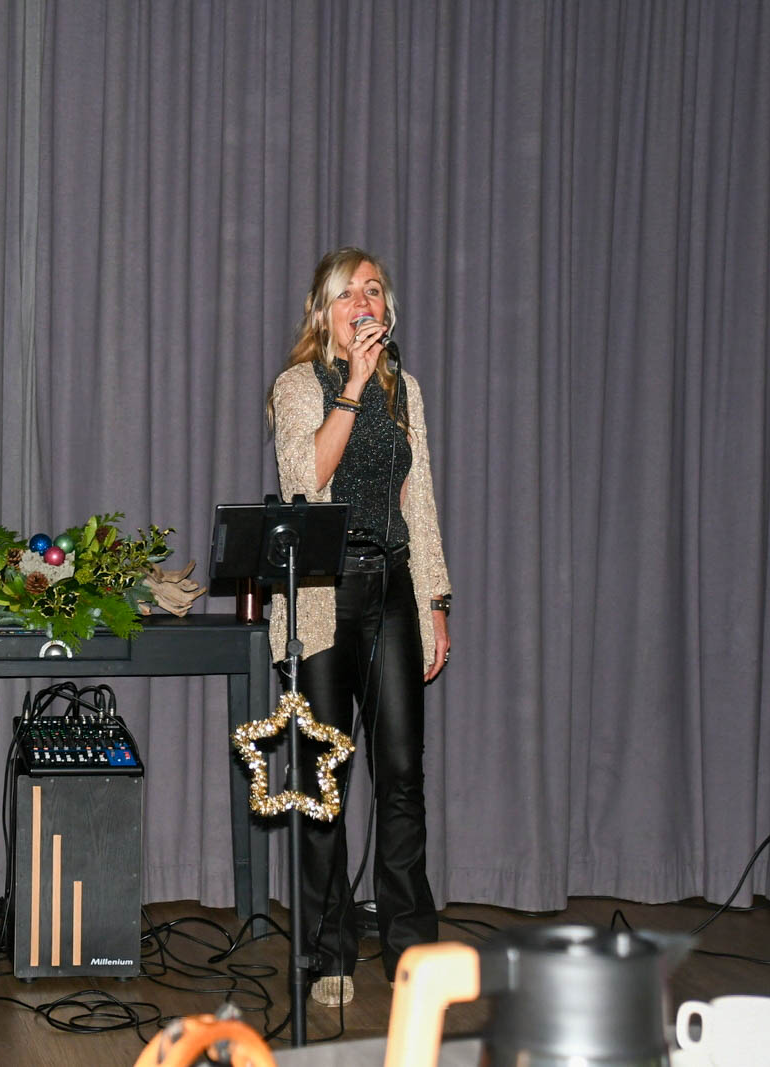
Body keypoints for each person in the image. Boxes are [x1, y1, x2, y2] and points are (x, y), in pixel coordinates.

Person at [268, 246, 451, 1009]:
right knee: (325, 780)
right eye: (348, 293)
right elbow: (304, 478)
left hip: (392, 587)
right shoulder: (297, 385)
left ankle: (410, 948)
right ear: (325, 311)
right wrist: (349, 386)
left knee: (402, 775)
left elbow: (419, 498)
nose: (364, 302)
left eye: (373, 290)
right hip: (323, 593)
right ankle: (328, 950)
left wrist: (435, 598)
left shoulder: (404, 388)